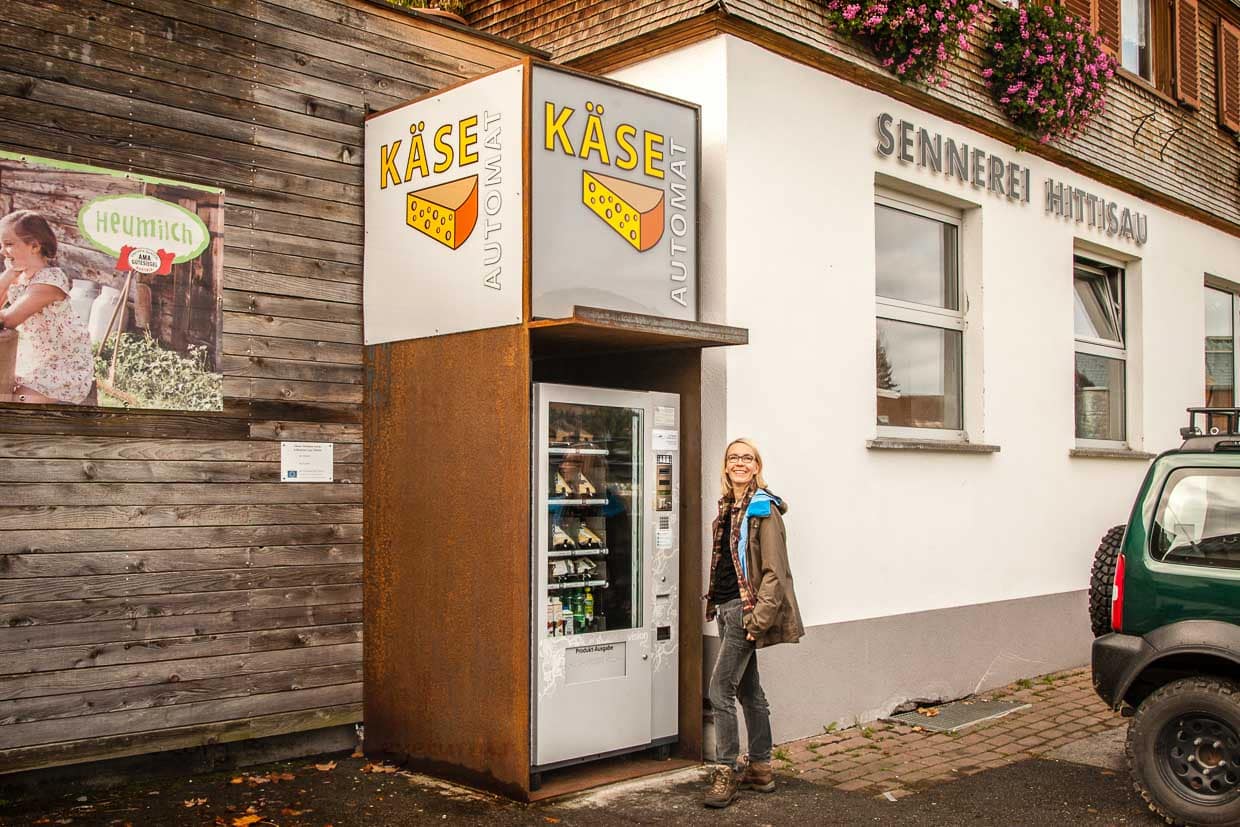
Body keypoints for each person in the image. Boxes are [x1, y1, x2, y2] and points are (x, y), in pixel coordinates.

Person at [703, 437, 804, 809]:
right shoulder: (728, 508)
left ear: (757, 466)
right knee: (749, 691)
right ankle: (761, 768)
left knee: (720, 690)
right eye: (734, 457)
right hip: (726, 609)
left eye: (747, 458)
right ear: (726, 466)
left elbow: (775, 572)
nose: (740, 463)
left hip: (746, 611)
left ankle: (725, 771)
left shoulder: (764, 509)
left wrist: (758, 619)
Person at [0, 210, 93, 404]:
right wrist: (8, 276)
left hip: (64, 363)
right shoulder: (20, 277)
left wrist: (9, 278)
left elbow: (9, 319)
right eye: (1, 245)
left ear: (34, 246)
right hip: (34, 357)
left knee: (17, 403)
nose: (2, 252)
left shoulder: (50, 281)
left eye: (8, 244)